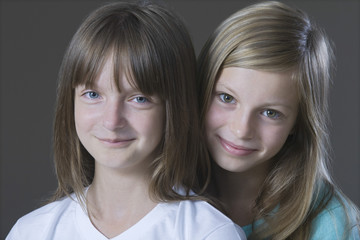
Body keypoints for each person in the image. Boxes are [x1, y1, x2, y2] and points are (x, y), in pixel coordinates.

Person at [6, 1, 246, 239]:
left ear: (174, 108)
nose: (112, 121)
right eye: (93, 95)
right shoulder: (31, 232)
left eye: (139, 99)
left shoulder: (208, 233)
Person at [197, 1, 360, 239]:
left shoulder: (335, 227)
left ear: (298, 122)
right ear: (202, 89)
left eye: (270, 113)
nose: (242, 129)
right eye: (226, 97)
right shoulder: (161, 194)